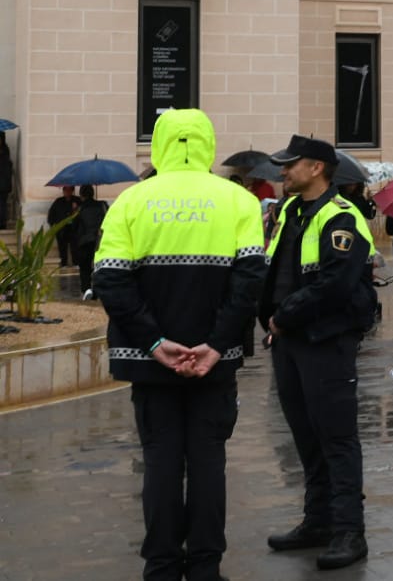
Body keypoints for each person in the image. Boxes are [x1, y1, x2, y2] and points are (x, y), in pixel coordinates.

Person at [91, 108, 267, 581]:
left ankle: (163, 566)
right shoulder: (239, 201)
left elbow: (109, 280)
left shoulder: (131, 201)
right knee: (209, 462)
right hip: (216, 362)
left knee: (161, 462)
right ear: (208, 144)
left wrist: (154, 342)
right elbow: (250, 282)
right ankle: (206, 566)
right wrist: (214, 345)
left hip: (149, 363)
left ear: (160, 145)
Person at [258, 135, 376, 571]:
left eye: (291, 165)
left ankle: (349, 531)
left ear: (317, 169)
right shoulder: (290, 211)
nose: (283, 171)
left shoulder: (342, 217)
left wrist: (284, 316)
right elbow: (274, 270)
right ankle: (319, 521)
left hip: (326, 341)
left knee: (337, 439)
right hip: (288, 342)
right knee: (306, 437)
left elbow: (335, 285)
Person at [72, 184, 109, 299]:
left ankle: (86, 290)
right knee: (99, 266)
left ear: (82, 195)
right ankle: (97, 290)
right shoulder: (102, 205)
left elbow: (74, 226)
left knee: (85, 268)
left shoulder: (80, 208)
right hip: (99, 240)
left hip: (84, 242)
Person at [48, 185, 79, 268]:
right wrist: (54, 227)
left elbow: (82, 213)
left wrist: (75, 209)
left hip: (74, 228)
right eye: (65, 190)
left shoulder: (77, 200)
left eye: (69, 190)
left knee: (75, 246)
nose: (67, 192)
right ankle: (63, 263)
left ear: (72, 191)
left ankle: (76, 263)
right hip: (62, 229)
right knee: (62, 247)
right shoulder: (58, 201)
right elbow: (51, 215)